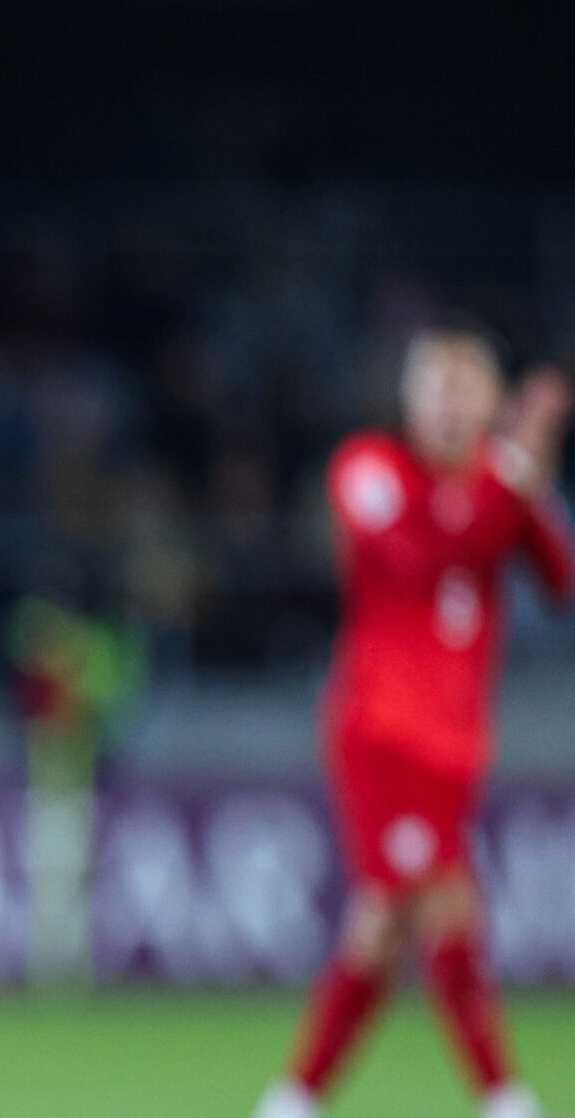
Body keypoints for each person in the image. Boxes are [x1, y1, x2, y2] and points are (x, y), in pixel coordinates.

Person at [254, 325, 573, 1118]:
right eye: (438, 391)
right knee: (444, 900)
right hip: (384, 728)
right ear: (409, 400)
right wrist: (512, 476)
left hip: (458, 738)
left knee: (384, 922)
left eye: (469, 393)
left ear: (493, 403)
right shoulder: (369, 469)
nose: (452, 410)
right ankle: (502, 1095)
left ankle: (296, 1096)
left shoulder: (499, 485)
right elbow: (418, 557)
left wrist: (529, 482)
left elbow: (561, 582)